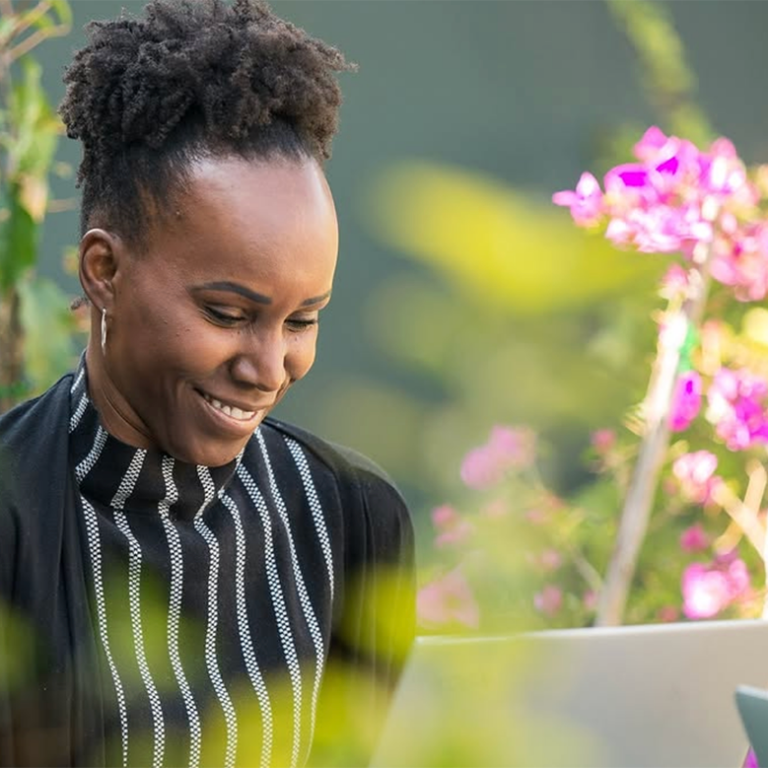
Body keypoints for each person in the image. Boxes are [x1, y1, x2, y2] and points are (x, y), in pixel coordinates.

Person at [0, 1, 415, 766]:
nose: (267, 369)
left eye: (301, 321)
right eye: (227, 313)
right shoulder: (13, 519)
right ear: (105, 271)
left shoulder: (352, 520)